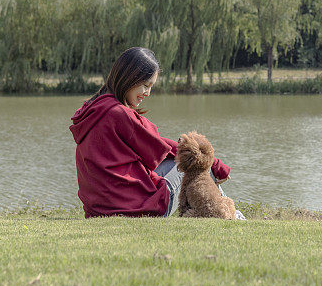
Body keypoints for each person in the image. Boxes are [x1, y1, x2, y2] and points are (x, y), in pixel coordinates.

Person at [69, 47, 242, 218]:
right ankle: (228, 213)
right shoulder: (118, 113)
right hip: (137, 209)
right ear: (129, 78)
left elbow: (159, 149)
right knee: (197, 163)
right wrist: (214, 163)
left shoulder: (92, 110)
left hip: (99, 210)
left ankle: (222, 210)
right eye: (145, 85)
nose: (148, 93)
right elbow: (161, 146)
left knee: (184, 160)